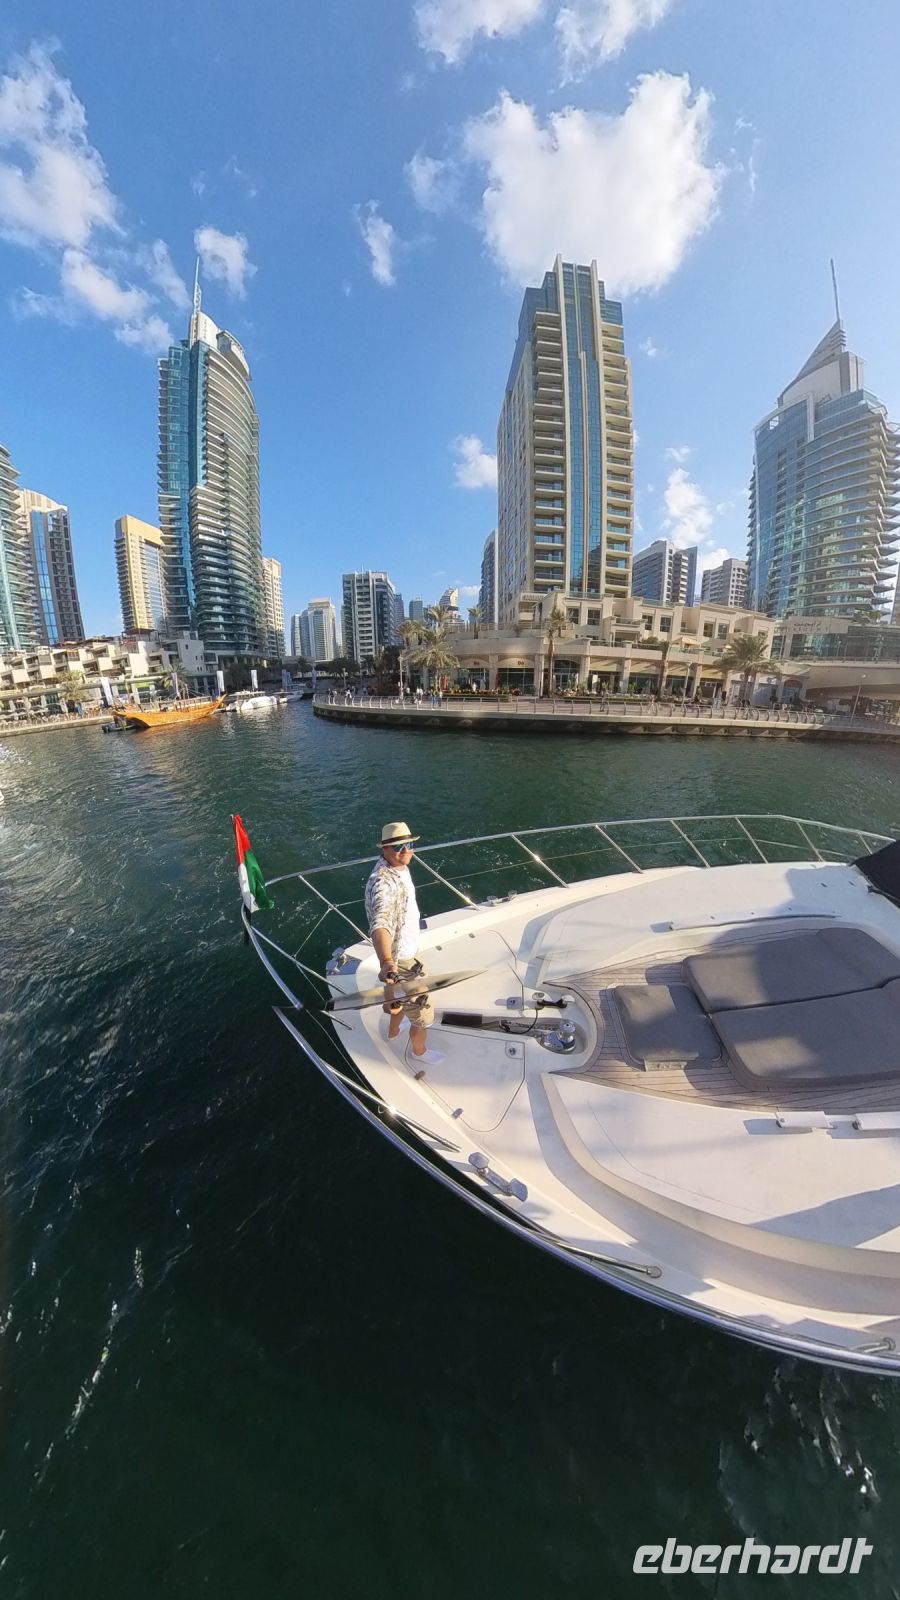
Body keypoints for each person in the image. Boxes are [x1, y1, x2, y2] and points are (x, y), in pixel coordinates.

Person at [365, 821, 443, 1068]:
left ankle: (392, 1031)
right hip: (402, 960)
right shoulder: (383, 882)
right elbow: (381, 921)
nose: (406, 851)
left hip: (402, 955)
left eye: (409, 845)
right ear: (384, 850)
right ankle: (418, 1052)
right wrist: (387, 961)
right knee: (423, 1014)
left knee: (395, 997)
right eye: (398, 847)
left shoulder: (397, 867)